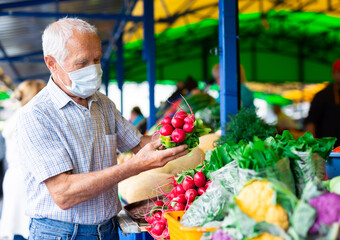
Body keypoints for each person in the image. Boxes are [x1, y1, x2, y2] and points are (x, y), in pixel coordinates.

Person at [16, 18, 188, 240]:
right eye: (82, 62)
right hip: (61, 234)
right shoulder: (37, 115)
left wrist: (179, 136)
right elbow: (63, 193)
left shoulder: (103, 104)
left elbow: (139, 144)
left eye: (96, 59)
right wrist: (134, 167)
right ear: (52, 63)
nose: (93, 69)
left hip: (108, 230)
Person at [0, 79, 46, 240]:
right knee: (28, 227)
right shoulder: (31, 116)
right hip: (27, 179)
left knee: (18, 226)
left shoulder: (16, 116)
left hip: (14, 177)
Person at [305, 59, 340, 146]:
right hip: (327, 148)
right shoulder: (322, 95)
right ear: (333, 74)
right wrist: (312, 145)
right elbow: (311, 122)